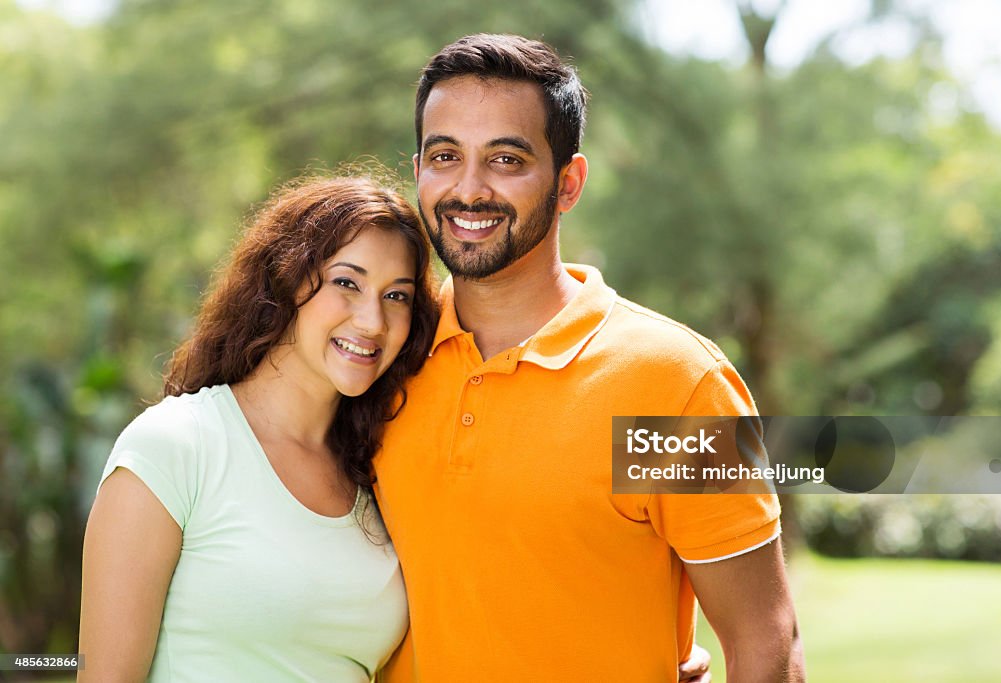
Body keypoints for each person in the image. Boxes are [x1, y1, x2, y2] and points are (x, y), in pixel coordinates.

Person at [373, 34, 806, 682]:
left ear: (568, 182)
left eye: (507, 159)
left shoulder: (679, 385)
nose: (468, 188)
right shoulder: (381, 358)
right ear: (418, 172)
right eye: (445, 156)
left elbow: (766, 644)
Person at [77, 172, 438, 682]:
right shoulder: (176, 447)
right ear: (287, 279)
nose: (372, 322)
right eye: (346, 283)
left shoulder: (375, 475)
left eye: (396, 296)